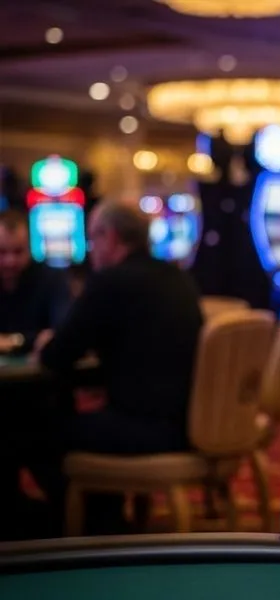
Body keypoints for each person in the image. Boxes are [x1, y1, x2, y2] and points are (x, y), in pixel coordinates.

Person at [30, 200, 204, 535]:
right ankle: (104, 521)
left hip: (147, 429)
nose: (91, 250)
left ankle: (84, 526)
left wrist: (45, 342)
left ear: (109, 237)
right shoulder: (177, 277)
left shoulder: (110, 281)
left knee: (31, 430)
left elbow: (56, 356)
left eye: (93, 239)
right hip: (186, 422)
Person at [0, 209, 71, 355]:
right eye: (2, 252)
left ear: (30, 249)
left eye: (18, 251)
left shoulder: (52, 279)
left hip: (39, 375)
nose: (10, 261)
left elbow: (62, 331)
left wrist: (14, 340)